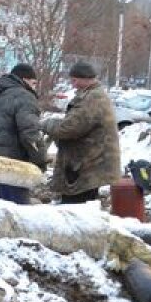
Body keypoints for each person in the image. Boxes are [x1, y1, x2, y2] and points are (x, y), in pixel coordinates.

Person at [40, 61, 121, 204]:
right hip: (87, 163)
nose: (73, 84)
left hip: (85, 166)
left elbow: (69, 128)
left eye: (75, 80)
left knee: (75, 210)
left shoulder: (92, 99)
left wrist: (47, 124)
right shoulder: (94, 95)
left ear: (86, 78)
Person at [0, 63, 46, 204]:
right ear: (24, 80)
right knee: (16, 214)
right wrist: (40, 162)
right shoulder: (25, 97)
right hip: (13, 166)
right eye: (34, 83)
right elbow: (31, 135)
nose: (34, 87)